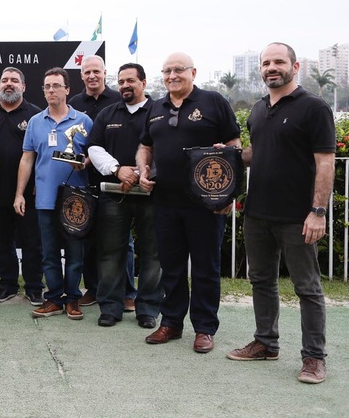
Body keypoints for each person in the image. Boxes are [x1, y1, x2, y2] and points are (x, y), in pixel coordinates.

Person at [226, 43, 334, 384]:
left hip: (298, 215)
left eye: (279, 62)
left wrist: (317, 211)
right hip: (257, 213)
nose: (272, 67)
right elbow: (258, 152)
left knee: (307, 288)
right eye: (266, 63)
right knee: (261, 281)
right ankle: (265, 343)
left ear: (295, 66)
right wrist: (227, 156)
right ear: (260, 69)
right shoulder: (258, 110)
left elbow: (325, 162)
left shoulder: (313, 108)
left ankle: (314, 358)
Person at [137, 53, 240, 353]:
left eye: (178, 70)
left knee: (206, 268)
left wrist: (228, 195)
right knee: (171, 267)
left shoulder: (213, 102)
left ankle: (205, 328)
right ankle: (171, 322)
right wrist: (143, 168)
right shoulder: (157, 107)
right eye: (167, 71)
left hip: (206, 204)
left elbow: (234, 147)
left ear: (193, 72)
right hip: (165, 202)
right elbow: (146, 146)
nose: (172, 76)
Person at [87, 63, 162, 329]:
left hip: (151, 194)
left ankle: (148, 308)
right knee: (110, 252)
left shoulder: (159, 112)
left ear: (143, 82)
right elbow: (93, 147)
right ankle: (110, 307)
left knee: (152, 254)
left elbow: (166, 148)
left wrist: (145, 172)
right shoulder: (108, 113)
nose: (125, 86)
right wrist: (118, 170)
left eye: (130, 80)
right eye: (120, 82)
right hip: (115, 193)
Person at [15, 67, 92, 320]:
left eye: (56, 86)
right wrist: (20, 194)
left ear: (67, 90)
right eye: (47, 86)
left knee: (74, 253)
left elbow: (94, 156)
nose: (51, 90)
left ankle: (72, 299)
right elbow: (27, 159)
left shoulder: (84, 121)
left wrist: (85, 162)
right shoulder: (36, 122)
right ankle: (53, 299)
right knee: (48, 253)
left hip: (76, 200)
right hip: (45, 199)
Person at [0, 67, 44, 305]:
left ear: (24, 87)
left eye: (14, 81)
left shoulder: (37, 115)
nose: (9, 84)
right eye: (5, 80)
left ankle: (34, 287)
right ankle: (7, 285)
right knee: (1, 242)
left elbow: (42, 154)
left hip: (28, 194)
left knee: (32, 243)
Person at [68, 54, 124, 307]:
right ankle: (92, 287)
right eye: (87, 72)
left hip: (116, 179)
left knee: (123, 241)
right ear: (81, 76)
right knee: (88, 238)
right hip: (84, 179)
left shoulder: (118, 98)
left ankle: (128, 292)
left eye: (96, 71)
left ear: (104, 73)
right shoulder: (75, 102)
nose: (92, 76)